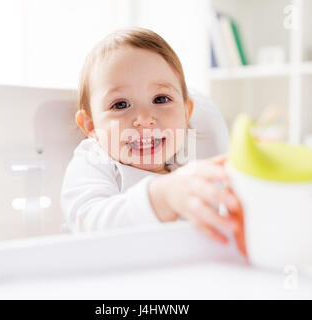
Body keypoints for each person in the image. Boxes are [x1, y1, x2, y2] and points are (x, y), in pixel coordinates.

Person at [61, 27, 245, 256]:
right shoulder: (96, 161)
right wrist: (162, 197)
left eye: (160, 99)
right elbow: (87, 223)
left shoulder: (185, 170)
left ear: (186, 113)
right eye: (120, 105)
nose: (145, 119)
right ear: (91, 127)